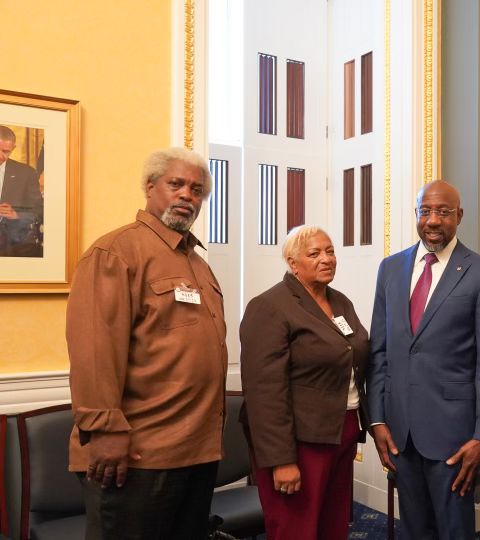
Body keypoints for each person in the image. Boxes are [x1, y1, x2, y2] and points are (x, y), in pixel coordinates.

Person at [66, 147, 227, 540]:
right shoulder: (116, 252)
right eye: (176, 184)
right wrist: (104, 431)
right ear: (150, 187)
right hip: (137, 455)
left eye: (197, 189)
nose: (188, 195)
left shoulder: (199, 264)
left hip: (196, 451)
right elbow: (94, 349)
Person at [367, 179, 480, 539]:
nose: (432, 220)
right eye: (425, 211)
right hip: (400, 431)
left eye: (443, 212)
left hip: (454, 436)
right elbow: (379, 350)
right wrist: (377, 419)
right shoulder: (391, 269)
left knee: (453, 530)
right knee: (414, 529)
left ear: (459, 216)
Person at [240, 225, 369, 540]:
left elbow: (354, 355)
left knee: (333, 525)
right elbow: (264, 392)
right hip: (298, 442)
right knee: (295, 529)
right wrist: (281, 460)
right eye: (314, 254)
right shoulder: (270, 306)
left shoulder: (340, 302)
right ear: (292, 262)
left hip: (342, 432)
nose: (327, 259)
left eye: (330, 251)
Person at [0, 125, 44, 257]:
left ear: (13, 149)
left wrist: (16, 215)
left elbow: (39, 211)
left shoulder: (26, 173)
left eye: (6, 151)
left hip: (13, 247)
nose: (1, 156)